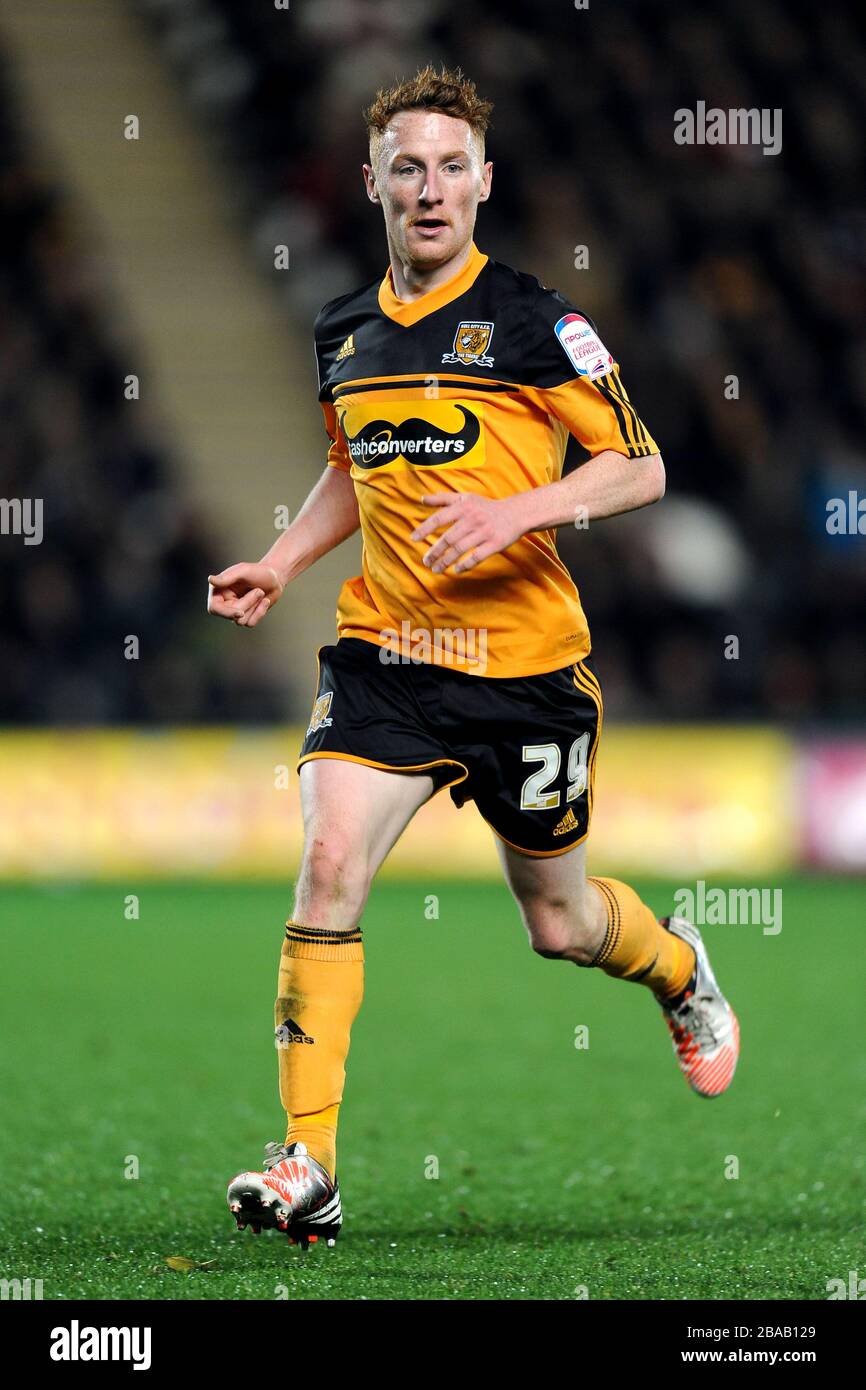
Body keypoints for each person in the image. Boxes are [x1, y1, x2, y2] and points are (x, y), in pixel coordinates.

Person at [207, 65, 739, 1251]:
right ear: (373, 183)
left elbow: (640, 465)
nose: (430, 187)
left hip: (525, 669)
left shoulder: (538, 321)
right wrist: (283, 561)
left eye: (452, 166)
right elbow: (353, 466)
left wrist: (524, 509)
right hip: (385, 657)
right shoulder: (341, 328)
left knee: (557, 923)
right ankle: (310, 1162)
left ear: (483, 183)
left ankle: (677, 972)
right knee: (328, 861)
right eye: (408, 166)